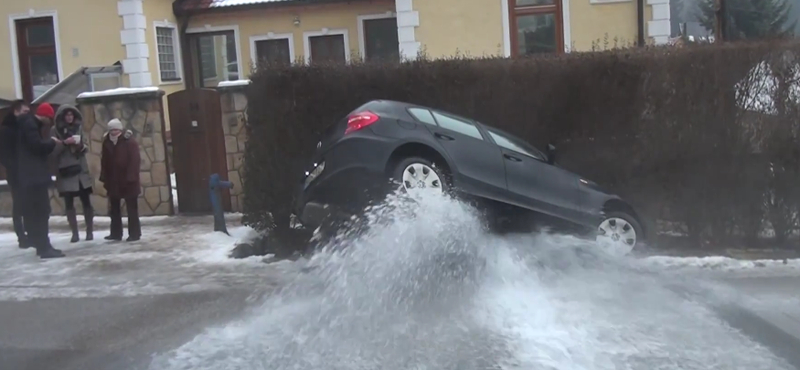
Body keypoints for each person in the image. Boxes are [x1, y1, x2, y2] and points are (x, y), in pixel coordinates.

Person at [17, 103, 69, 258]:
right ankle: (44, 247)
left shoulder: (27, 124)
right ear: (45, 116)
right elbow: (36, 147)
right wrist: (52, 142)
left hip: (30, 177)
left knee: (37, 212)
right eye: (50, 118)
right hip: (34, 177)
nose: (50, 122)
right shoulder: (31, 125)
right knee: (41, 211)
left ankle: (42, 245)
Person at [51, 104, 94, 243]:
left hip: (80, 170)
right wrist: (64, 143)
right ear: (62, 117)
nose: (69, 117)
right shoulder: (55, 131)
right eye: (67, 115)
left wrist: (80, 145)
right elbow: (52, 152)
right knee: (69, 203)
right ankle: (74, 233)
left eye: (71, 115)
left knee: (86, 201)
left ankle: (89, 231)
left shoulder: (79, 128)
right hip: (66, 171)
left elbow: (87, 146)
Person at [100, 118, 141, 242]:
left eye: (116, 130)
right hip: (113, 180)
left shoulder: (130, 142)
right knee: (114, 208)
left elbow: (135, 160)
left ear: (121, 130)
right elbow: (104, 161)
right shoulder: (106, 142)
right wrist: (104, 178)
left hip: (129, 181)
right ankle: (116, 233)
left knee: (131, 209)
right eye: (112, 130)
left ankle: (134, 233)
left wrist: (131, 177)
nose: (114, 132)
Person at [0, 100, 31, 249]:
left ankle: (30, 234)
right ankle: (22, 236)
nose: (27, 115)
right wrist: (16, 168)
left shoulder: (22, 127)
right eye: (25, 112)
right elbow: (4, 154)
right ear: (16, 111)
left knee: (29, 204)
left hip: (26, 172)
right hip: (16, 174)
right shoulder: (7, 130)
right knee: (19, 206)